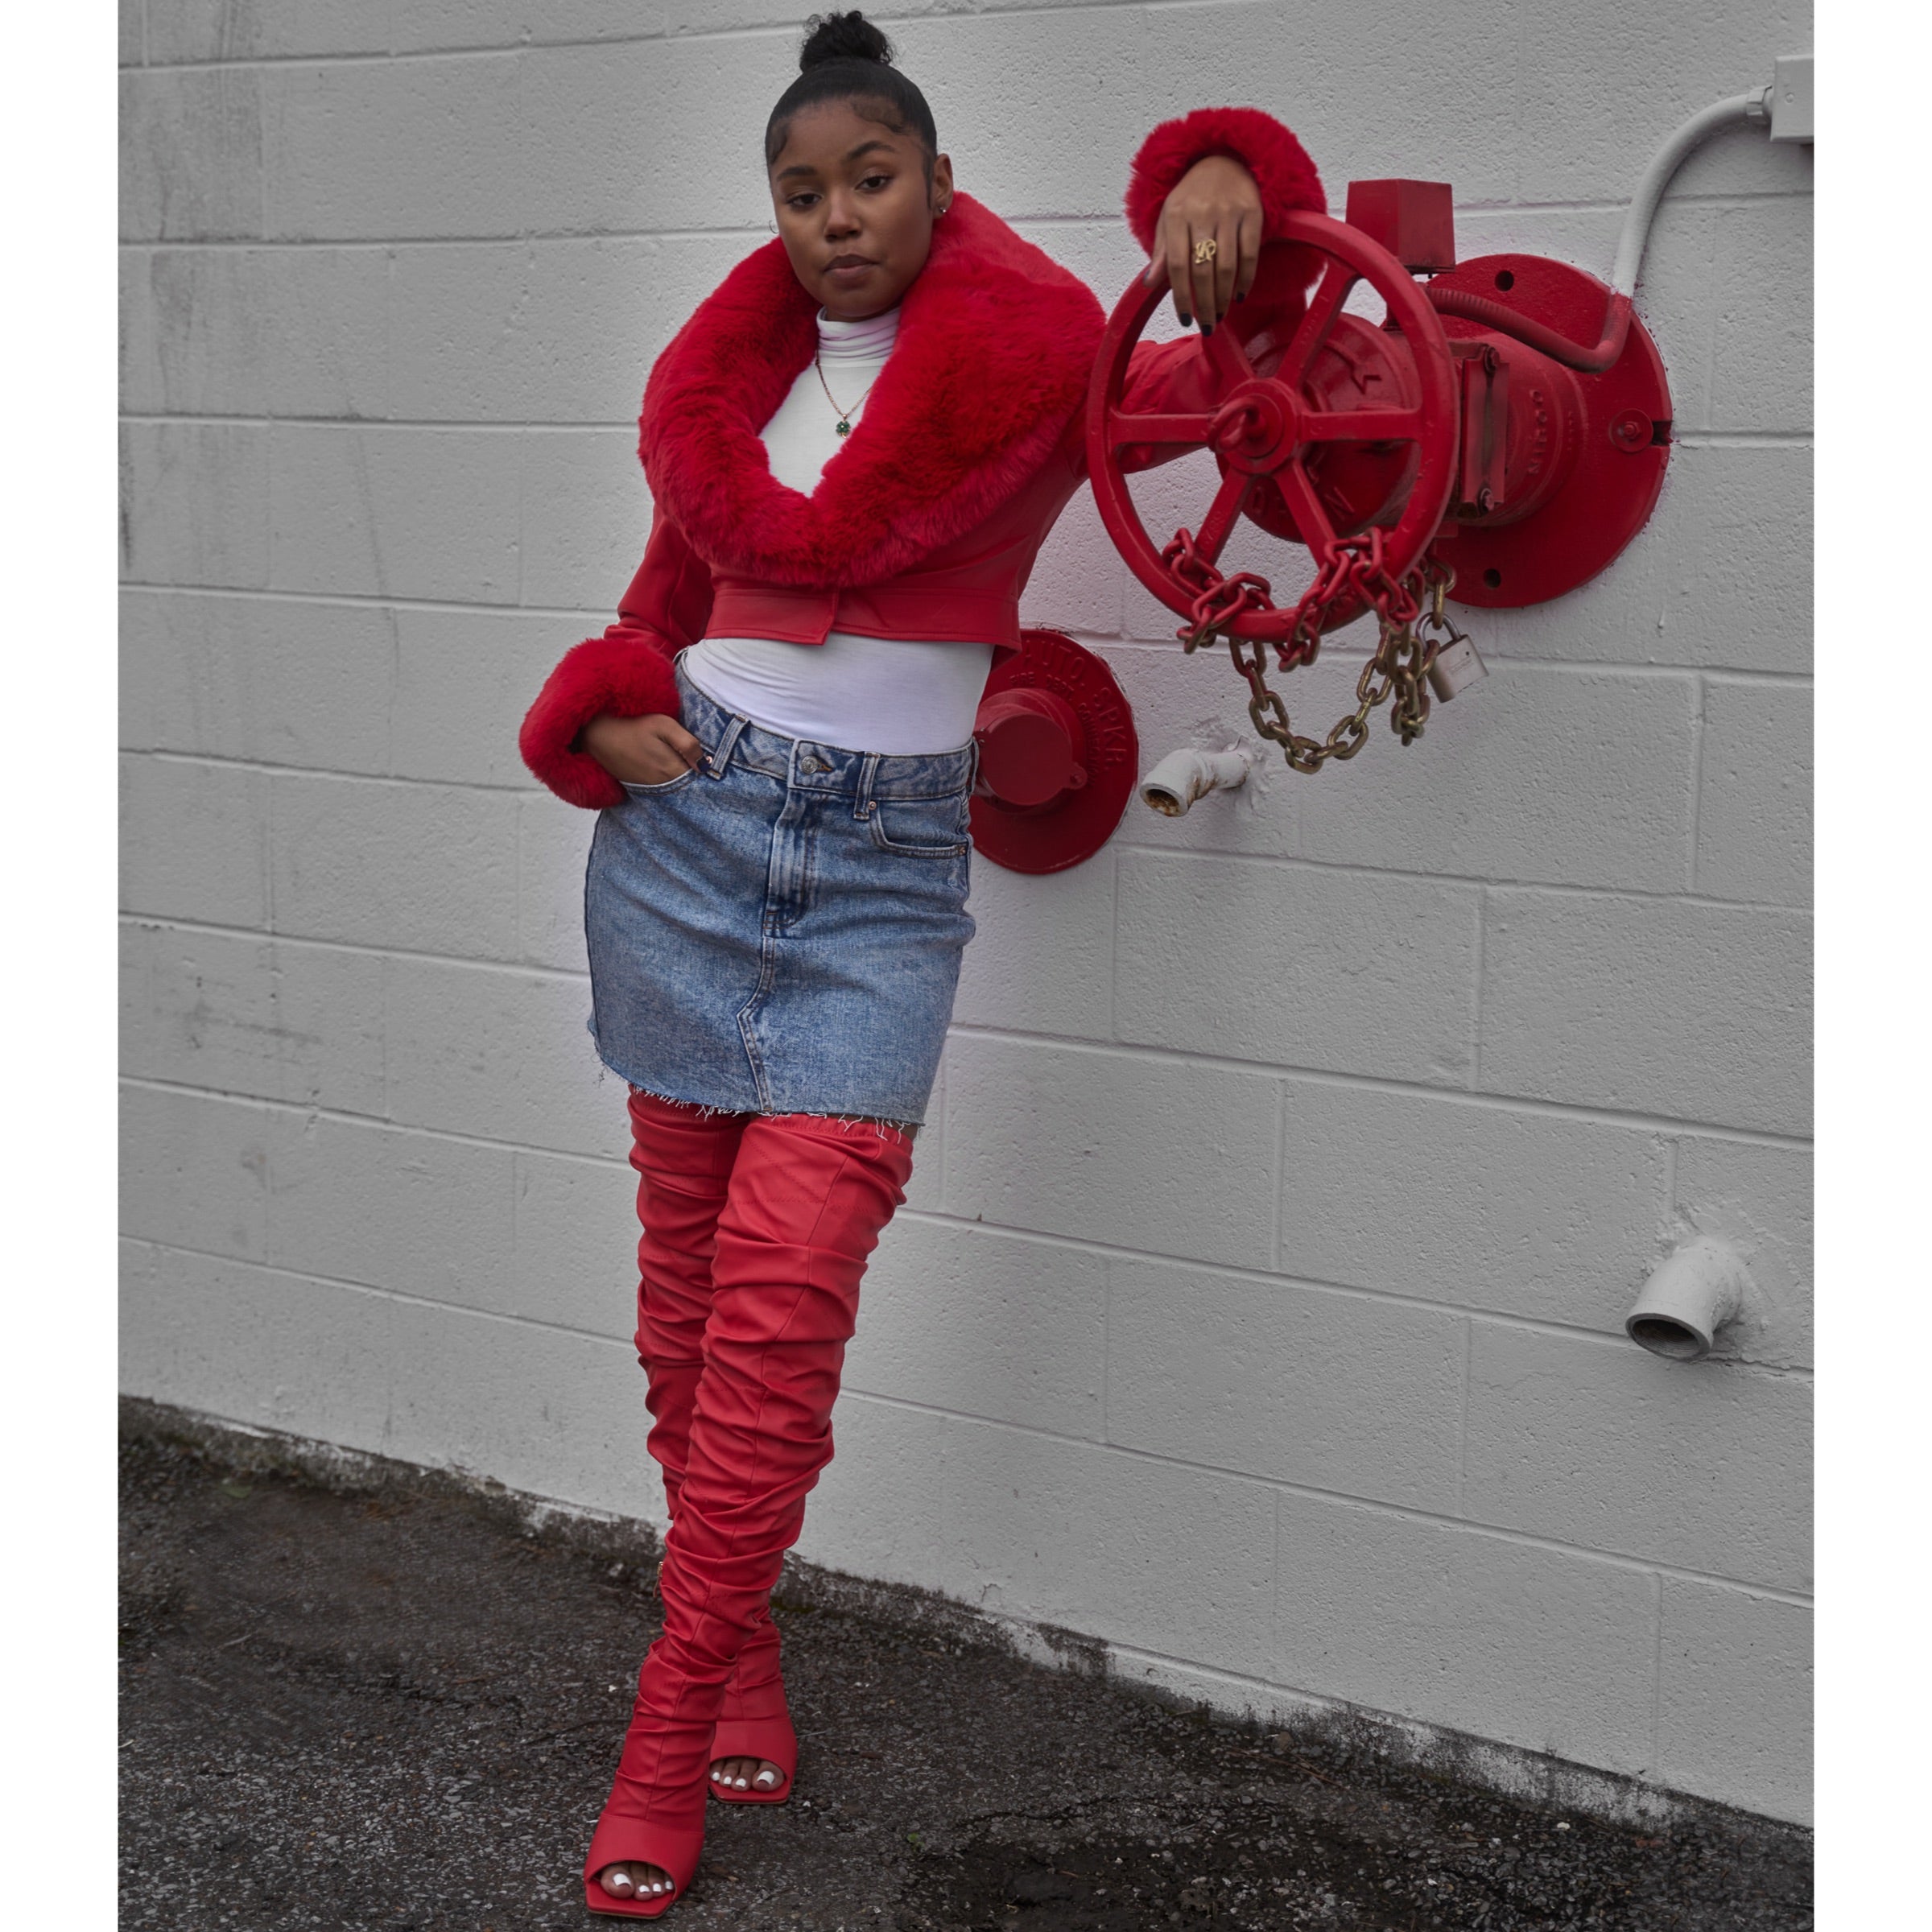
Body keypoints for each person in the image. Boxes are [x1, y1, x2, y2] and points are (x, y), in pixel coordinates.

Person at [518, 10, 1327, 1918]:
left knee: (785, 1305)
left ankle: (663, 1726)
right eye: (799, 193)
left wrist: (1229, 184)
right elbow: (665, 598)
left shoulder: (1042, 352)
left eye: (869, 179)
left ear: (940, 183)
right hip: (687, 839)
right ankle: (744, 1661)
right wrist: (600, 710)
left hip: (881, 875)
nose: (834, 219)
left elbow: (1237, 371)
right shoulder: (733, 382)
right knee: (683, 1311)